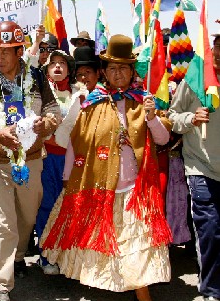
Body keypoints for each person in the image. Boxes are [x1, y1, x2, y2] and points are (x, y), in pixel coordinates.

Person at [40, 34, 172, 301]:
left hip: (136, 192)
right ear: (105, 72)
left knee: (138, 247)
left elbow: (163, 139)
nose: (118, 73)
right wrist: (68, 178)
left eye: (123, 67)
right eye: (112, 68)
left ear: (132, 70)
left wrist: (150, 117)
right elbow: (77, 143)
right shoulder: (92, 102)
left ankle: (142, 293)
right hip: (101, 189)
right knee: (107, 249)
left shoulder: (144, 100)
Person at [0, 21, 60, 301]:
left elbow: (54, 110)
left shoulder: (39, 78)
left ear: (20, 51)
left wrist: (47, 124)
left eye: (6, 51)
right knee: (3, 223)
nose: (0, 57)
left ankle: (18, 256)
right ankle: (1, 284)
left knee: (27, 217)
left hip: (31, 160)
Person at [168, 33, 220, 301]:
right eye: (218, 46)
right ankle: (212, 289)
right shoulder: (194, 80)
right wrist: (191, 118)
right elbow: (172, 117)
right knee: (210, 228)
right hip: (201, 168)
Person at [35, 49, 85, 275]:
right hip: (45, 157)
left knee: (68, 206)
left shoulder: (80, 93)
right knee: (47, 204)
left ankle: (67, 255)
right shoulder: (37, 91)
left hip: (70, 158)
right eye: (52, 63)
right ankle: (46, 254)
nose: (57, 67)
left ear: (69, 69)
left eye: (62, 63)